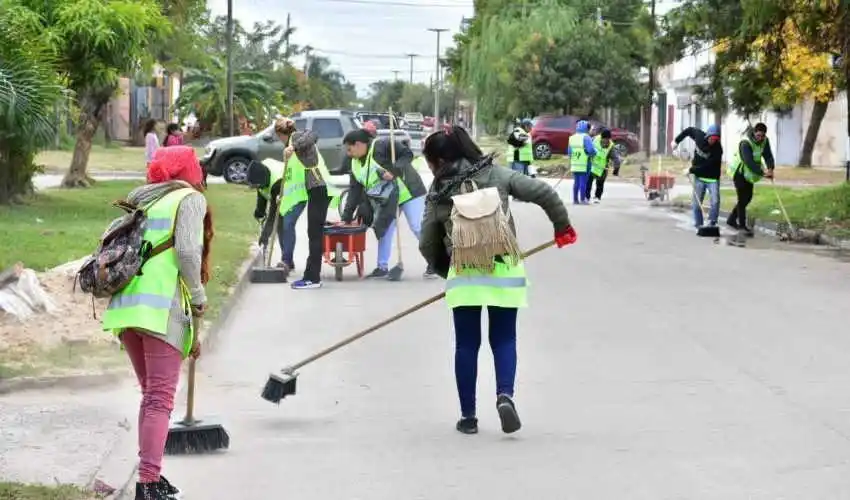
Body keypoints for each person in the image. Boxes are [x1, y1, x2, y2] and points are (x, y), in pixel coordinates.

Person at [418, 125, 577, 435]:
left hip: (464, 272)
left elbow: (427, 242)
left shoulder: (438, 192)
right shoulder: (497, 175)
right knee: (504, 339)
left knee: (466, 345)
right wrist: (562, 228)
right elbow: (544, 192)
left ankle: (468, 418)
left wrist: (446, 271)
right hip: (505, 268)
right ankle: (505, 395)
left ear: (438, 160)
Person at [101, 145, 213, 500]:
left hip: (126, 308)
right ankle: (148, 483)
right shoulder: (189, 200)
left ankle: (151, 476)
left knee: (151, 396)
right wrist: (197, 296)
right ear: (188, 170)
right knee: (160, 398)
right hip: (160, 307)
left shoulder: (141, 200)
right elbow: (187, 252)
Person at [248, 118, 340, 288]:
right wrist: (283, 196)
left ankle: (312, 278)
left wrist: (293, 147)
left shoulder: (296, 137)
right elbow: (294, 177)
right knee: (313, 234)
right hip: (314, 190)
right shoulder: (289, 148)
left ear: (280, 134)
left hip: (320, 188)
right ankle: (311, 276)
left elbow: (312, 134)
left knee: (314, 235)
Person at [340, 128, 436, 279]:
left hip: (408, 192)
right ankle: (382, 267)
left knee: (417, 226)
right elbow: (354, 191)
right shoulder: (354, 164)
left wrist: (394, 170)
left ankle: (435, 262)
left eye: (350, 149)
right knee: (384, 229)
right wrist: (346, 216)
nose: (348, 153)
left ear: (358, 144)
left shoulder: (381, 145)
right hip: (387, 199)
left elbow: (407, 154)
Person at [726, 122, 775, 236]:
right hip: (739, 172)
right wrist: (763, 173)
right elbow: (749, 162)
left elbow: (768, 155)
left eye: (762, 136)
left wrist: (771, 168)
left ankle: (731, 219)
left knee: (748, 198)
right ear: (754, 133)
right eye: (758, 136)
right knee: (742, 198)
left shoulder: (765, 141)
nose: (760, 138)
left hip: (749, 174)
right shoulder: (745, 143)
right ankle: (742, 226)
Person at [671, 123, 723, 230]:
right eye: (712, 138)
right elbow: (689, 130)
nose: (713, 141)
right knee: (697, 202)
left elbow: (707, 166)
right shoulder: (699, 136)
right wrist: (676, 141)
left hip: (712, 178)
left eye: (716, 139)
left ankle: (712, 224)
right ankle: (699, 225)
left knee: (715, 201)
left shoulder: (718, 150)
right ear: (707, 136)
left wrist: (691, 170)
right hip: (699, 177)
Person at [585, 128, 621, 203]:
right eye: (604, 139)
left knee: (600, 184)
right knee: (588, 182)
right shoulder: (594, 140)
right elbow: (587, 148)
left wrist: (616, 169)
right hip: (592, 165)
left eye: (607, 139)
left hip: (602, 168)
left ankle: (597, 197)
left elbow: (616, 158)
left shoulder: (611, 146)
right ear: (601, 137)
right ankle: (586, 197)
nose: (606, 141)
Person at [567, 120, 596, 204]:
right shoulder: (586, 137)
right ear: (586, 128)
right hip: (585, 163)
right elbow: (591, 150)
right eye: (589, 128)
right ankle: (583, 199)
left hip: (575, 163)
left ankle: (575, 200)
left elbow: (569, 152)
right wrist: (594, 153)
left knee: (576, 182)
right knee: (583, 182)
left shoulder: (572, 137)